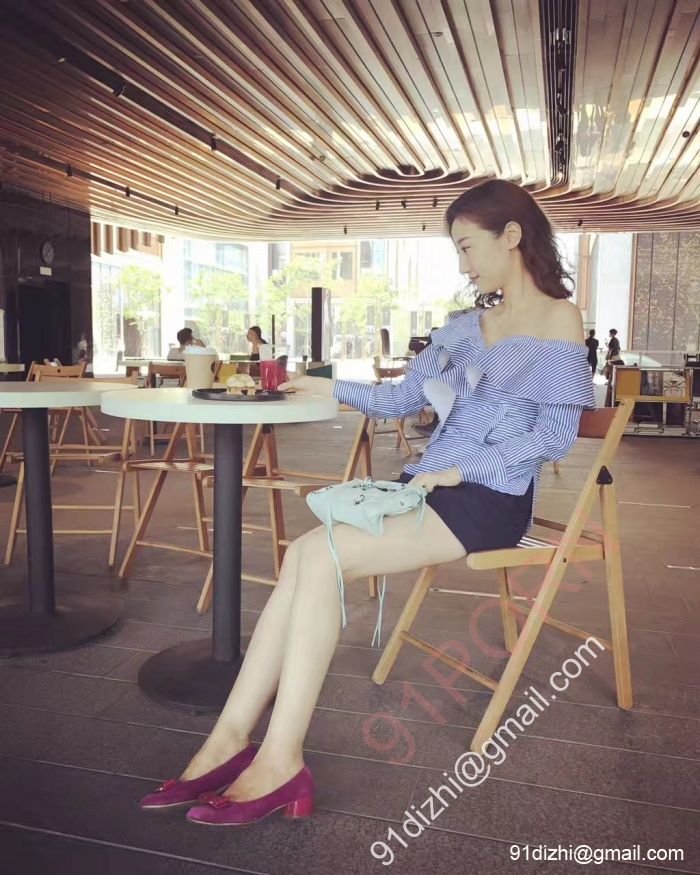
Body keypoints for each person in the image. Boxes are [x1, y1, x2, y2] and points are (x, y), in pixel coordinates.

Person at [138, 179, 595, 827]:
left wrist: (461, 466)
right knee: (304, 555)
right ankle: (228, 741)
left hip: (490, 497)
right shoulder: (464, 328)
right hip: (429, 485)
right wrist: (319, 384)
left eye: (468, 246)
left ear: (512, 235)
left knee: (321, 555)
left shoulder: (558, 319)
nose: (463, 263)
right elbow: (399, 399)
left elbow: (552, 437)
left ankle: (279, 760)